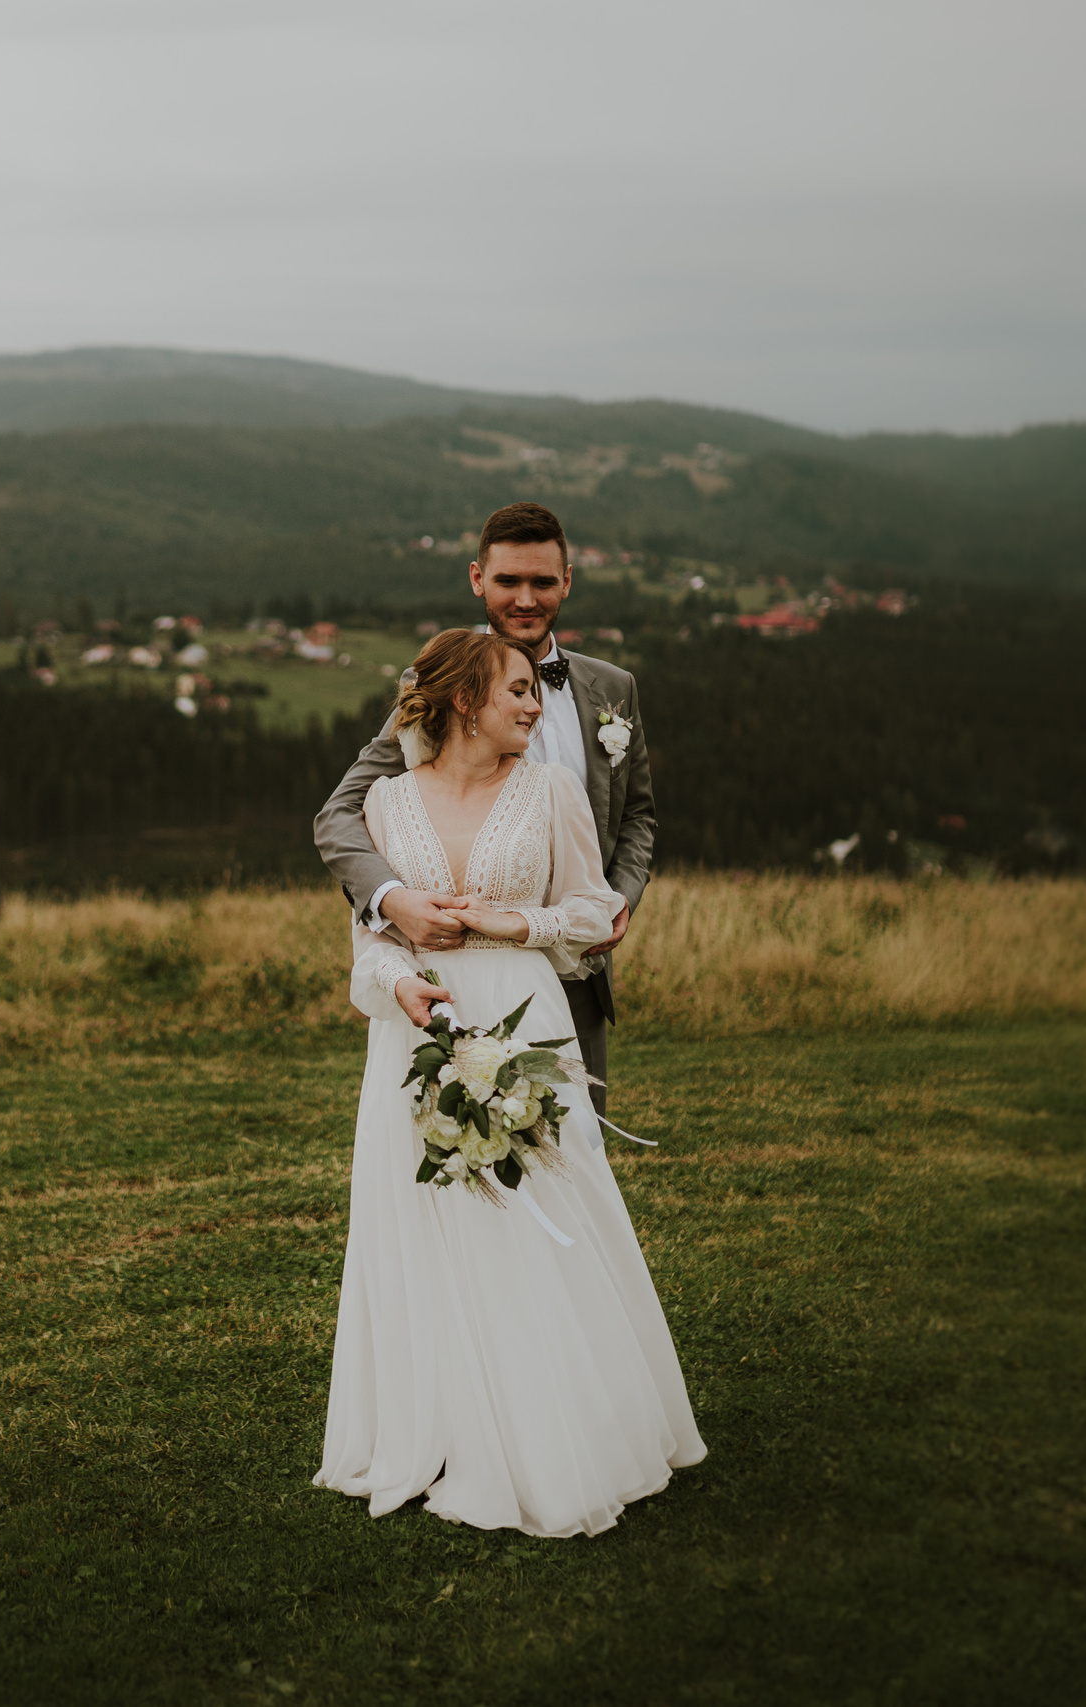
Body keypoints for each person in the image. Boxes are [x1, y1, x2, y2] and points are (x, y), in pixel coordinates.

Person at [313, 627, 703, 1537]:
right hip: (418, 1033)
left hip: (526, 1016)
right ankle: (442, 1431)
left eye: (535, 688)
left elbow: (595, 910)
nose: (534, 705)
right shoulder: (386, 803)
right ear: (464, 701)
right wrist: (400, 985)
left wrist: (515, 924)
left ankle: (560, 1427)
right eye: (518, 691)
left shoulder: (553, 790)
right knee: (427, 1220)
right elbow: (369, 944)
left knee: (541, 1213)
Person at [314, 501, 651, 1114]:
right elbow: (340, 814)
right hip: (451, 972)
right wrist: (393, 900)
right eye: (507, 581)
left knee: (571, 1140)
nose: (525, 599)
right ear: (477, 579)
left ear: (567, 582)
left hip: (577, 960)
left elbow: (636, 816)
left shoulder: (613, 688)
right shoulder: (436, 689)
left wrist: (619, 897)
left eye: (542, 582)